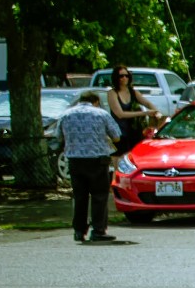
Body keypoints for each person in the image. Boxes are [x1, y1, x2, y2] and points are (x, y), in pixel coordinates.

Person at [59, 89, 123, 244]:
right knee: (99, 195)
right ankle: (98, 230)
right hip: (97, 159)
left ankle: (79, 230)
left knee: (80, 196)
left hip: (75, 159)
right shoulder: (101, 114)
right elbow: (116, 136)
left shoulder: (66, 114)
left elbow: (58, 136)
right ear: (96, 101)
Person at [104, 66, 160, 155]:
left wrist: (156, 112)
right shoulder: (112, 93)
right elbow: (120, 114)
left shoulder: (133, 92)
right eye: (121, 76)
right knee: (121, 157)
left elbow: (147, 103)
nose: (124, 78)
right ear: (116, 78)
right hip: (119, 133)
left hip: (134, 132)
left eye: (126, 75)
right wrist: (145, 113)